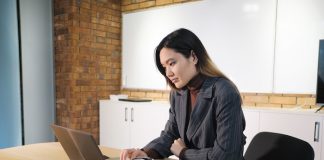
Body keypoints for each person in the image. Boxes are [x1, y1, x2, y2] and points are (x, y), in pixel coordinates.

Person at [120, 28, 246, 160]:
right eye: (164, 67)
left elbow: (226, 156)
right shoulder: (178, 94)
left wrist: (184, 153)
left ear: (193, 57)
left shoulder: (224, 92)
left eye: (172, 63)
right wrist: (146, 152)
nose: (168, 73)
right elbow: (171, 135)